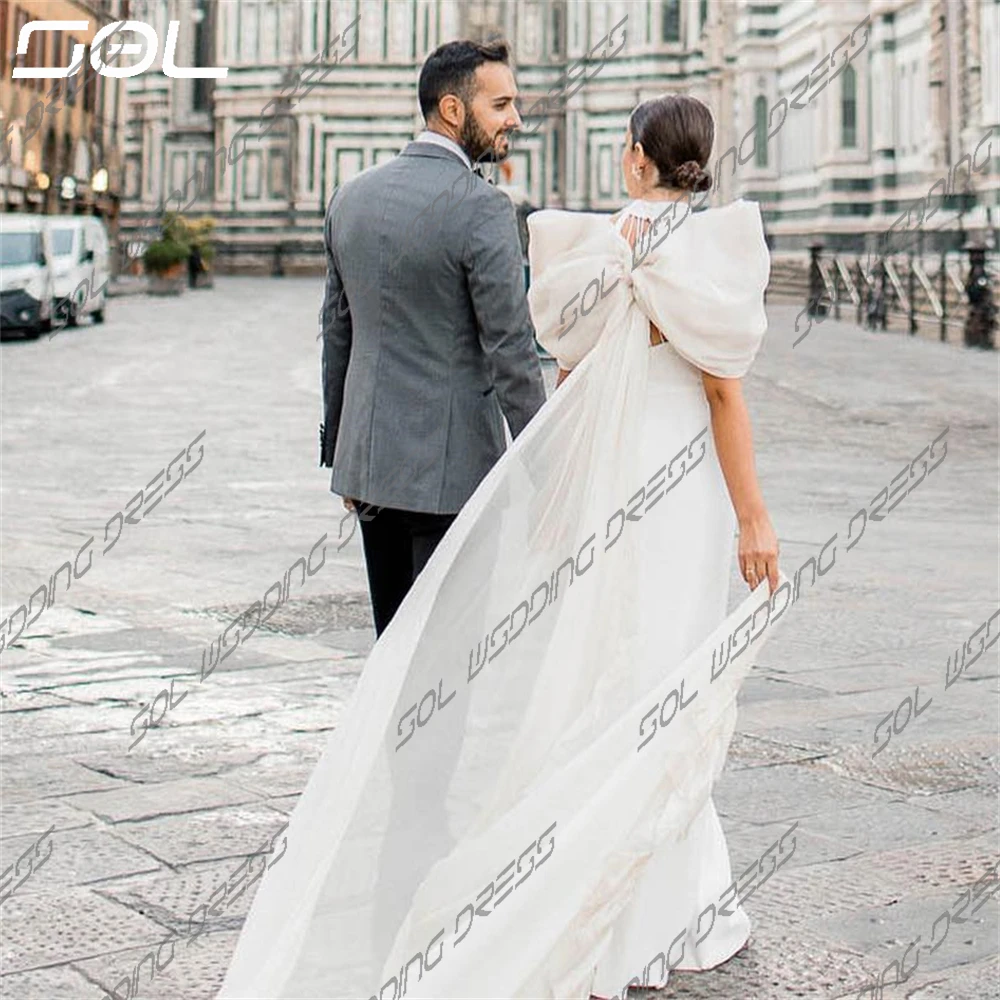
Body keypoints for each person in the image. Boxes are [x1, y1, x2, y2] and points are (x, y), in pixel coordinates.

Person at [218, 92, 780, 1000]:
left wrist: (554, 495)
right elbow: (724, 399)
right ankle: (664, 905)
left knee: (601, 673)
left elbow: (562, 377)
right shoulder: (714, 252)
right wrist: (755, 516)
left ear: (635, 157)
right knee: (669, 679)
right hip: (686, 489)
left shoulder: (584, 249)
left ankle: (588, 884)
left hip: (607, 484)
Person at [318, 39, 546, 638]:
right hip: (451, 476)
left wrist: (341, 449)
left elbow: (336, 333)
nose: (515, 120)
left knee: (394, 646)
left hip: (369, 470)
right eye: (501, 105)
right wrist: (545, 456)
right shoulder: (483, 209)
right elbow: (511, 351)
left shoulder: (350, 198)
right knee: (445, 662)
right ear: (452, 109)